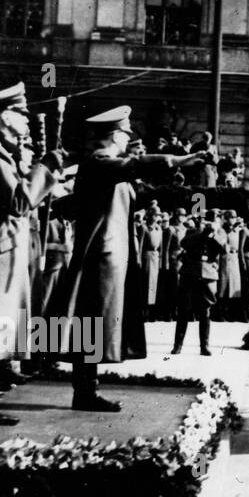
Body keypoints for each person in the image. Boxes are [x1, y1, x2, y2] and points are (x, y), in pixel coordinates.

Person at [43, 106, 212, 409]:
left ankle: (87, 390)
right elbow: (132, 165)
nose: (127, 140)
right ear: (115, 135)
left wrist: (174, 186)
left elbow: (138, 193)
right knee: (91, 322)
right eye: (125, 134)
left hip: (110, 256)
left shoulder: (109, 168)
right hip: (100, 255)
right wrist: (174, 159)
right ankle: (85, 392)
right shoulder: (98, 162)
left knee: (96, 322)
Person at [0, 82, 62, 417]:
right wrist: (45, 167)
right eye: (21, 116)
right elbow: (19, 202)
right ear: (4, 118)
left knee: (6, 324)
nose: (26, 124)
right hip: (2, 253)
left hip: (9, 250)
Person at [172, 211, 223, 356]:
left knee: (205, 312)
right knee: (184, 310)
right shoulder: (192, 232)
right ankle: (178, 345)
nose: (206, 223)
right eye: (203, 221)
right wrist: (201, 233)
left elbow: (222, 248)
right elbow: (184, 243)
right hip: (190, 273)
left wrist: (211, 233)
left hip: (207, 276)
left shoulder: (218, 233)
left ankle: (204, 346)